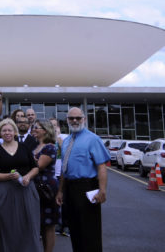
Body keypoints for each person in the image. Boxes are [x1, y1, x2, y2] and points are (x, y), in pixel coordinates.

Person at [55, 107, 109, 252]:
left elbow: (101, 166)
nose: (74, 121)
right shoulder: (66, 141)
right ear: (66, 120)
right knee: (75, 229)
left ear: (84, 119)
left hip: (87, 188)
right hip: (70, 188)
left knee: (90, 231)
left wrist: (102, 190)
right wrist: (60, 191)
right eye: (71, 118)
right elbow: (64, 169)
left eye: (78, 118)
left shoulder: (93, 139)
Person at [0, 119, 42, 252]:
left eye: (10, 130)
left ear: (15, 132)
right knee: (9, 225)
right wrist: (8, 176)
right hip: (6, 191)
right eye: (4, 130)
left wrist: (27, 177)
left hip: (26, 189)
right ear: (0, 133)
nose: (7, 133)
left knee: (30, 223)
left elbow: (35, 168)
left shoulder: (24, 147)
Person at [32, 120, 60, 252]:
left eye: (36, 128)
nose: (34, 129)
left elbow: (39, 166)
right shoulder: (37, 146)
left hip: (47, 189)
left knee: (49, 225)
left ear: (45, 130)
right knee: (40, 223)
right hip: (35, 188)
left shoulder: (50, 147)